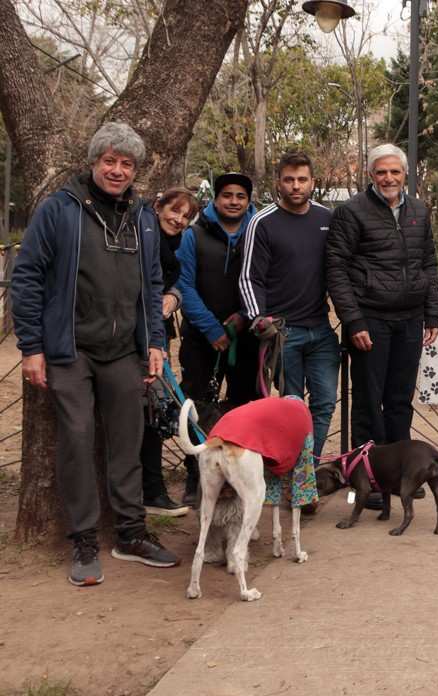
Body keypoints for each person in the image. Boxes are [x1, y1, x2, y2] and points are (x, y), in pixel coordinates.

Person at [11, 122, 179, 586]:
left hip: (124, 351)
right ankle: (84, 539)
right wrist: (32, 347)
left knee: (126, 441)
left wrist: (156, 343)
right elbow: (26, 278)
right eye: (109, 161)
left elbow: (151, 285)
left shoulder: (144, 216)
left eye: (126, 163)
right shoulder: (59, 210)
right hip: (70, 350)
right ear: (93, 163)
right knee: (78, 440)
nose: (117, 170)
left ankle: (130, 533)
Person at [326, 144, 438, 508]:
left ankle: (404, 475)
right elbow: (336, 269)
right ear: (371, 175)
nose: (388, 178)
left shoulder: (419, 210)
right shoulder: (351, 212)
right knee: (367, 403)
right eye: (381, 172)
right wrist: (353, 319)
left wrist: (432, 314)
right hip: (369, 321)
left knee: (399, 402)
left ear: (405, 174)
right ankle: (369, 482)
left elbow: (429, 263)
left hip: (409, 320)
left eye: (394, 172)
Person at [240, 152, 338, 458]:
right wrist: (260, 319)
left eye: (302, 180)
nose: (296, 186)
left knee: (324, 402)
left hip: (321, 329)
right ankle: (293, 470)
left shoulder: (326, 218)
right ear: (278, 183)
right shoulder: (262, 222)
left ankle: (306, 469)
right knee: (292, 406)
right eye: (289, 180)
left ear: (312, 182)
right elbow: (248, 277)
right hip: (283, 333)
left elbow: (339, 269)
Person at [175, 172, 259, 506]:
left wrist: (242, 318)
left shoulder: (258, 231)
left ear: (248, 200)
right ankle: (196, 477)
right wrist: (212, 329)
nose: (234, 201)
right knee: (196, 405)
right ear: (216, 198)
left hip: (247, 337)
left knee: (244, 407)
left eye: (241, 195)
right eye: (227, 195)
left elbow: (263, 278)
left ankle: (239, 477)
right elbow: (183, 283)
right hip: (201, 338)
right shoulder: (193, 235)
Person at [140, 186, 200, 517]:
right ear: (158, 206)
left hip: (159, 337)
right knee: (152, 412)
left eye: (186, 216)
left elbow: (178, 284)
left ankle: (154, 488)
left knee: (158, 412)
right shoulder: (144, 238)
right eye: (174, 210)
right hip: (140, 337)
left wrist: (173, 297)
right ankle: (150, 490)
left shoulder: (178, 246)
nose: (178, 219)